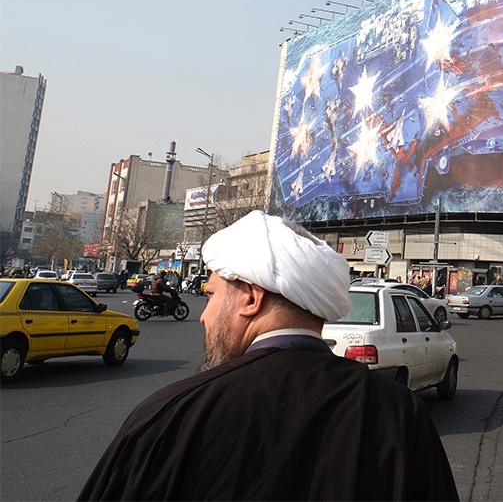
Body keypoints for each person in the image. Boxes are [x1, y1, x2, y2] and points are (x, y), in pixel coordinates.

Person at [79, 210, 458, 501]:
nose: (204, 316)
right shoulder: (399, 414)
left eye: (211, 296)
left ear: (250, 298)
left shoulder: (173, 413)